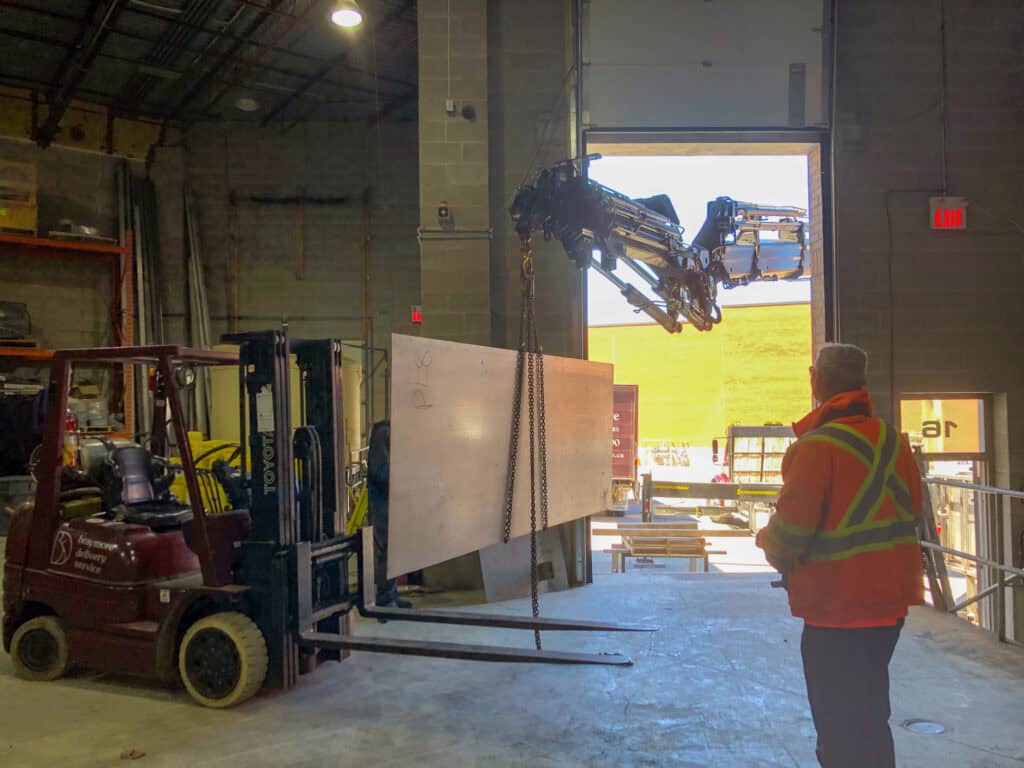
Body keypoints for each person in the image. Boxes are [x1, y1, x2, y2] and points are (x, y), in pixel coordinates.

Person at [756, 344, 923, 768]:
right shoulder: (894, 442)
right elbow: (913, 512)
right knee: (869, 717)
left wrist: (766, 541)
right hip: (889, 608)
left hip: (836, 611)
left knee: (838, 726)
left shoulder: (814, 448)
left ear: (816, 382)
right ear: (863, 383)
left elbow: (789, 535)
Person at [366, 420, 411, 609]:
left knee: (395, 550)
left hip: (393, 501)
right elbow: (380, 470)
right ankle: (384, 598)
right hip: (382, 503)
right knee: (387, 550)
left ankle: (391, 593)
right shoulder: (384, 432)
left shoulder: (394, 432)